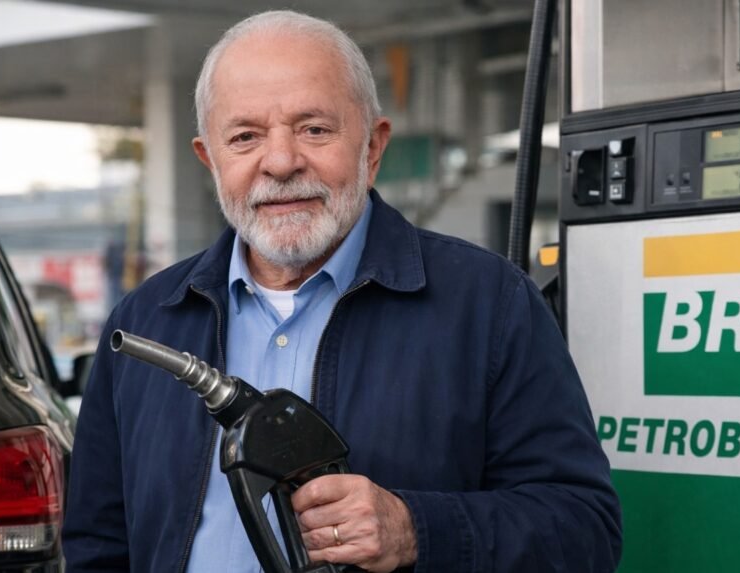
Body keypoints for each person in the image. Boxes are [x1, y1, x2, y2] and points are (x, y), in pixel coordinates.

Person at [63, 10, 621, 573]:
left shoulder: (491, 307)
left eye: (315, 129)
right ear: (210, 159)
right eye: (245, 137)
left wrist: (415, 530)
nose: (280, 162)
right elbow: (98, 547)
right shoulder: (145, 322)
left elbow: (584, 530)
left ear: (373, 147)